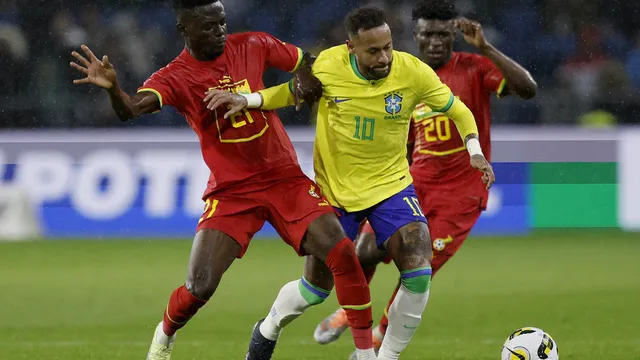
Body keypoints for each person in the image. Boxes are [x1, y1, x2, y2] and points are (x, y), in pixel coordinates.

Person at [69, 1, 378, 360]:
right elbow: (131, 109)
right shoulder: (175, 76)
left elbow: (309, 60)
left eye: (222, 23)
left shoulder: (252, 44)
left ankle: (367, 355)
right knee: (199, 287)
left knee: (343, 253)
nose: (220, 31)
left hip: (284, 178)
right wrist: (112, 89)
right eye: (209, 26)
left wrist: (306, 74)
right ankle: (164, 335)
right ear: (185, 30)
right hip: (233, 191)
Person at [203, 6, 496, 360]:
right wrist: (248, 99)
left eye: (387, 46)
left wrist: (474, 150)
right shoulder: (329, 65)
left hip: (391, 186)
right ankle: (269, 326)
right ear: (351, 48)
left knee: (418, 270)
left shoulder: (411, 71)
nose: (384, 56)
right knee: (314, 290)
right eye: (373, 51)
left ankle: (382, 357)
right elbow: (290, 92)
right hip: (336, 194)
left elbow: (458, 109)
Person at [312, 0, 538, 354]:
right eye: (427, 34)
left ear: (453, 36)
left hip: (461, 195)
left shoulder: (475, 67)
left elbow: (528, 89)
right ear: (414, 35)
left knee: (418, 268)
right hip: (412, 182)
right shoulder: (405, 74)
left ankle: (378, 338)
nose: (435, 42)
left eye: (443, 35)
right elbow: (402, 138)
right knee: (366, 250)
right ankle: (351, 311)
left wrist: (485, 46)